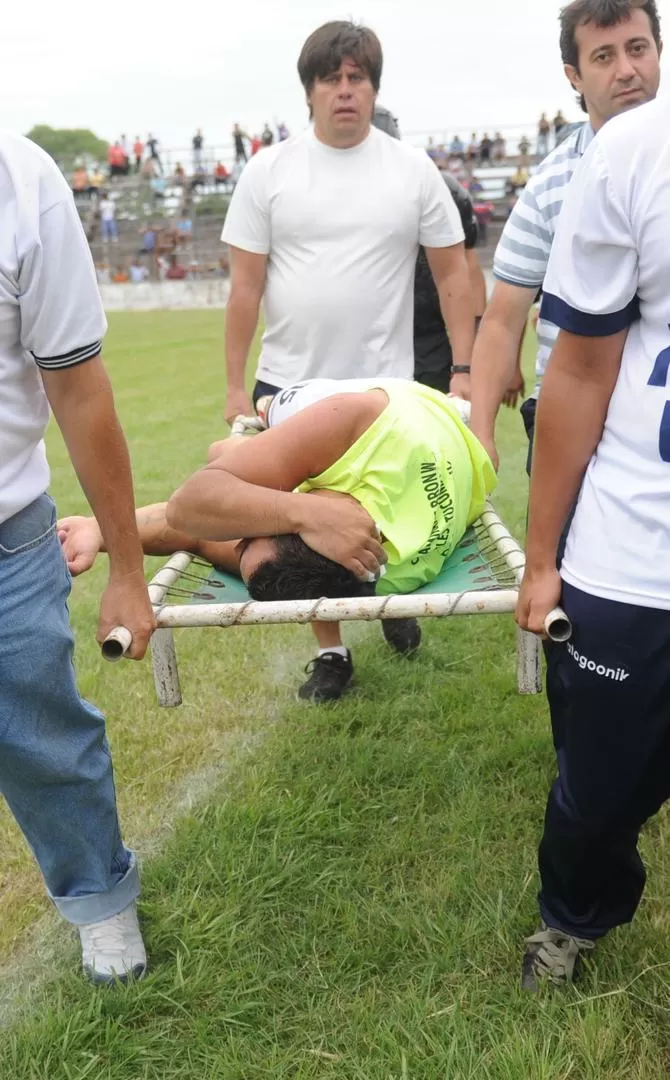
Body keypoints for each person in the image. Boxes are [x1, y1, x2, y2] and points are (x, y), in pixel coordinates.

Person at [59, 378, 496, 703]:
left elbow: (190, 522)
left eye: (244, 542)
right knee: (230, 453)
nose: (241, 539)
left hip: (429, 431)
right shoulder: (363, 426)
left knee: (222, 457)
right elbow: (194, 510)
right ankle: (269, 409)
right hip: (406, 401)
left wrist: (101, 534)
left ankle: (268, 412)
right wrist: (305, 510)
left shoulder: (385, 570)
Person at [516, 88, 670, 989]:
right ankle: (573, 918)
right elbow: (577, 366)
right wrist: (544, 560)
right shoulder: (633, 151)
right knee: (600, 790)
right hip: (634, 548)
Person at [0, 130, 155, 985]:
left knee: (39, 740)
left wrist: (128, 571)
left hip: (7, 530)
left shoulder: (22, 183)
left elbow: (79, 388)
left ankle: (101, 901)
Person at [222, 20, 475, 441]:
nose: (344, 89)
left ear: (374, 90)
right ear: (309, 92)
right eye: (330, 78)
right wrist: (233, 387)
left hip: (384, 391)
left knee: (373, 508)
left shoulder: (415, 169)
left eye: (356, 77)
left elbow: (453, 275)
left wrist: (463, 369)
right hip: (285, 387)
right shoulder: (266, 170)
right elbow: (245, 289)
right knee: (278, 508)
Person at [470, 0, 662, 472]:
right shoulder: (550, 184)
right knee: (559, 549)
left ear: (660, 49)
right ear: (573, 76)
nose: (626, 70)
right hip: (571, 415)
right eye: (603, 57)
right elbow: (502, 317)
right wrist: (480, 434)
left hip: (659, 408)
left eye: (638, 48)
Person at [369, 108, 486, 396]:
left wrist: (474, 348)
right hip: (368, 334)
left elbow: (469, 267)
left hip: (427, 333)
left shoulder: (437, 187)